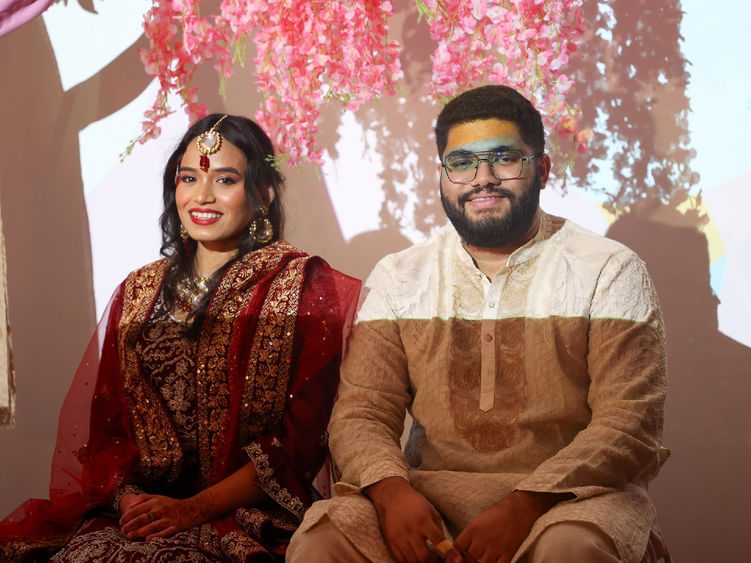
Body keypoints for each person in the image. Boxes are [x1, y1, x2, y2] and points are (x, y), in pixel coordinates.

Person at [287, 85, 670, 563]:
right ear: (443, 176)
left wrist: (527, 504)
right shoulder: (401, 276)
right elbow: (363, 411)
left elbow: (628, 423)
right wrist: (390, 493)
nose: (482, 179)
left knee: (572, 548)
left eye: (505, 159)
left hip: (572, 502)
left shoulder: (607, 268)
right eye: (462, 163)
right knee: (324, 539)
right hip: (429, 497)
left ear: (543, 170)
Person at [0, 114, 360, 561]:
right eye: (188, 178)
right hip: (140, 514)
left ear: (263, 194)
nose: (202, 196)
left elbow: (298, 443)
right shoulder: (139, 292)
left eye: (225, 180)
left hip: (249, 515)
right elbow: (108, 434)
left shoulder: (302, 286)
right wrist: (133, 504)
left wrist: (192, 510)